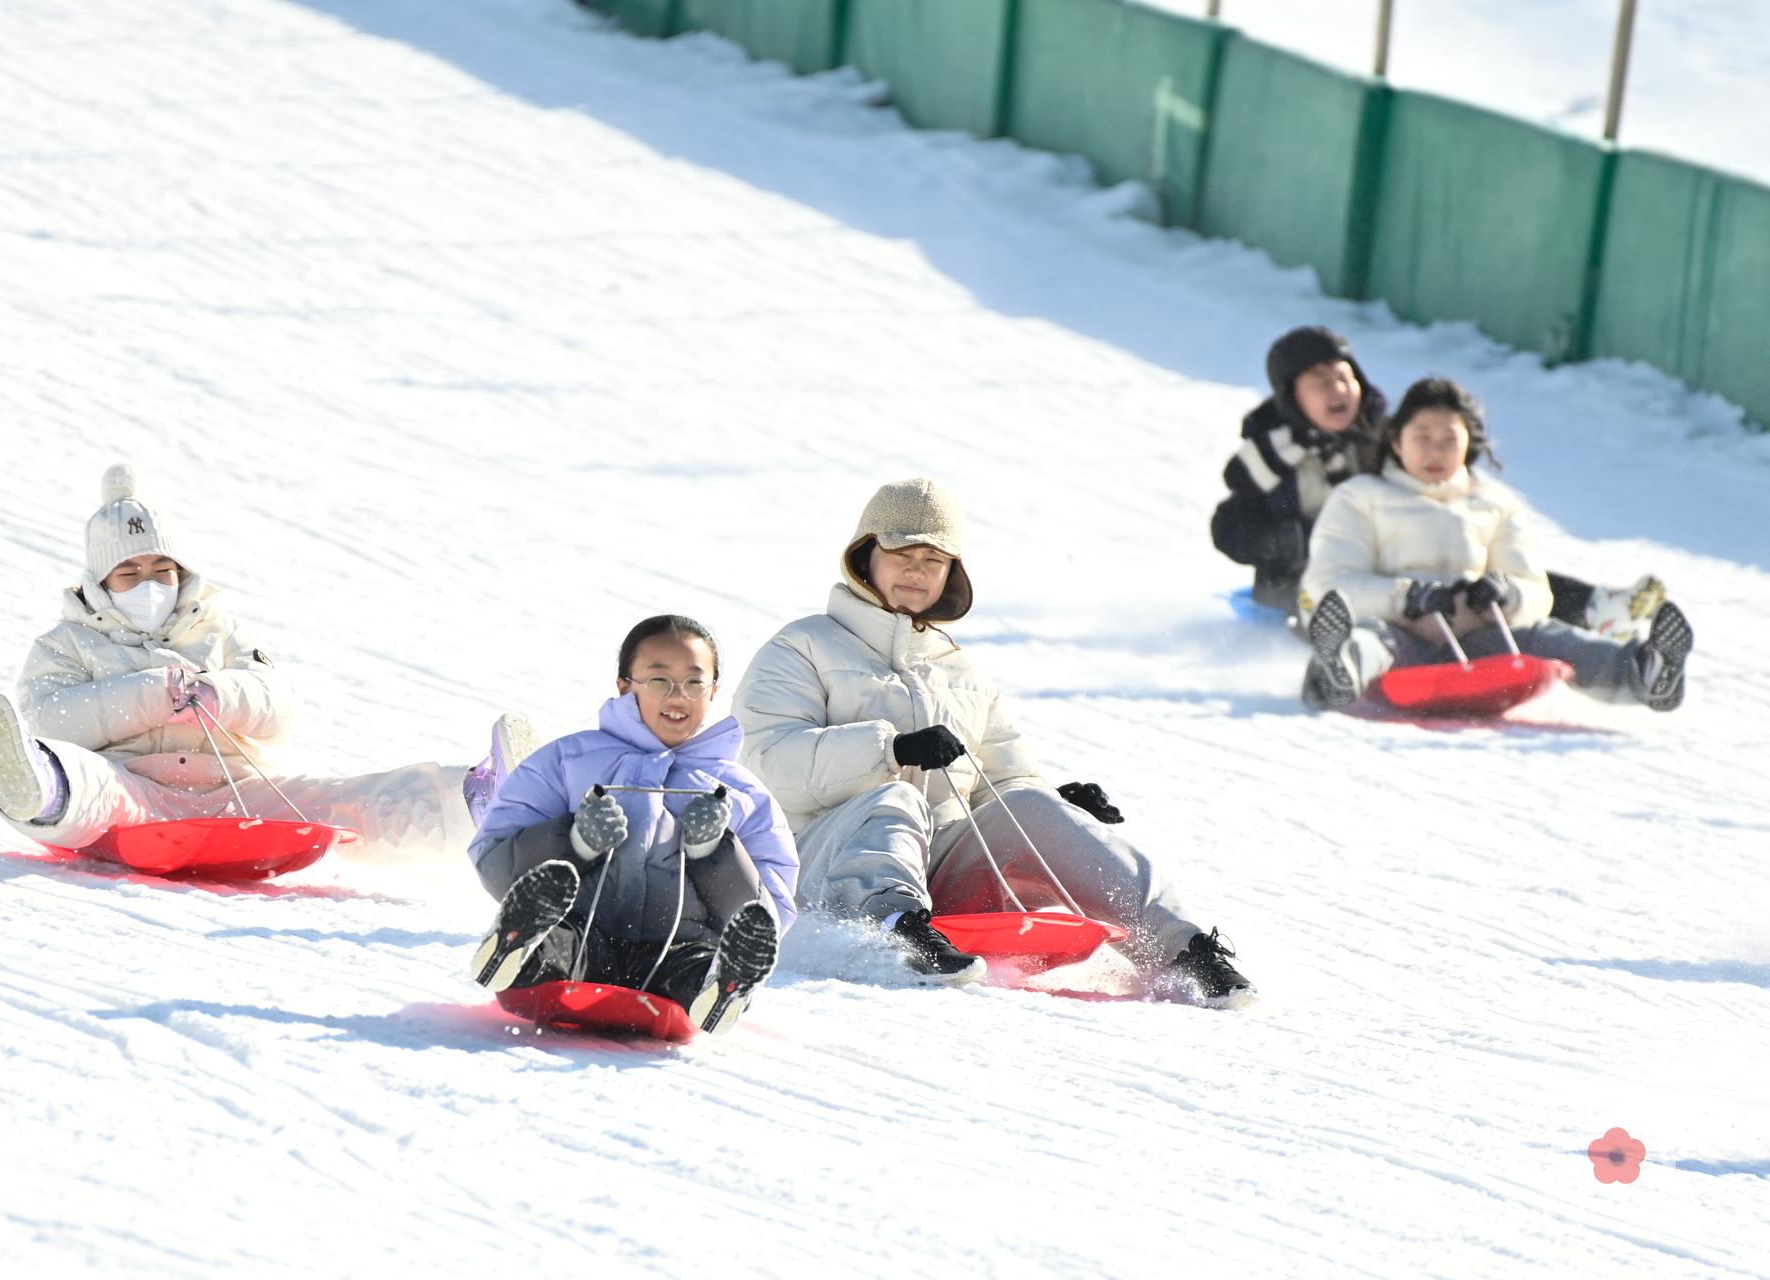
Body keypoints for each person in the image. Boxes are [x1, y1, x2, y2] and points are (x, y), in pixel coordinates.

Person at [732, 478, 1252, 1006]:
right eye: (901, 553)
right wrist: (891, 751)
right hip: (827, 862)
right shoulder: (801, 646)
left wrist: (1058, 804)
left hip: (937, 871)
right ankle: (893, 929)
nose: (917, 570)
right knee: (897, 796)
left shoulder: (962, 670)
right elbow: (771, 765)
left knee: (1031, 806)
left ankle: (1183, 952)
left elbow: (1005, 778)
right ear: (866, 557)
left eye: (933, 559)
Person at [0, 463, 484, 859]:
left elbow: (280, 711)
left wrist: (223, 695)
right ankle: (37, 788)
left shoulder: (221, 629)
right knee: (91, 786)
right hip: (135, 789)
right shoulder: (68, 643)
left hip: (237, 790)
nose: (149, 584)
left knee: (340, 801)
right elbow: (49, 718)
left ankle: (480, 799)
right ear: (101, 583)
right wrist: (147, 695)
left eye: (161, 568)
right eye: (129, 573)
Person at [1212, 325, 1664, 636]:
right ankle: (1342, 654)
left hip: (1397, 561)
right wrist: (1282, 540)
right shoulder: (1269, 456)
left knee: (1488, 572)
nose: (1337, 391)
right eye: (1319, 382)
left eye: (1343, 378)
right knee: (1340, 594)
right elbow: (1229, 526)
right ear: (1291, 396)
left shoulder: (1390, 437)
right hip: (1309, 575)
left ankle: (1595, 609)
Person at [466, 616, 797, 1035]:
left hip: (679, 945)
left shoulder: (742, 794)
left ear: (714, 691)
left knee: (694, 966)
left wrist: (714, 853)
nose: (678, 696)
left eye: (694, 682)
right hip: (582, 934)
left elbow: (771, 914)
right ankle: (516, 949)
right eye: (659, 680)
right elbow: (492, 855)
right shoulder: (567, 761)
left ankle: (722, 987)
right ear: (625, 686)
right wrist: (575, 841)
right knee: (557, 947)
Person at [1298, 378, 1695, 713]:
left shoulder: (1494, 502)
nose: (1435, 451)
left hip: (1477, 643)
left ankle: (1645, 672)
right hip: (1401, 635)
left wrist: (1507, 594)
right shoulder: (1360, 496)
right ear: (1397, 443)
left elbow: (1536, 589)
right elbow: (1329, 584)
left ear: (1469, 445)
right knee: (1370, 639)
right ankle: (1337, 673)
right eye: (1422, 437)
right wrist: (1404, 598)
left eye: (1449, 439)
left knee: (1549, 636)